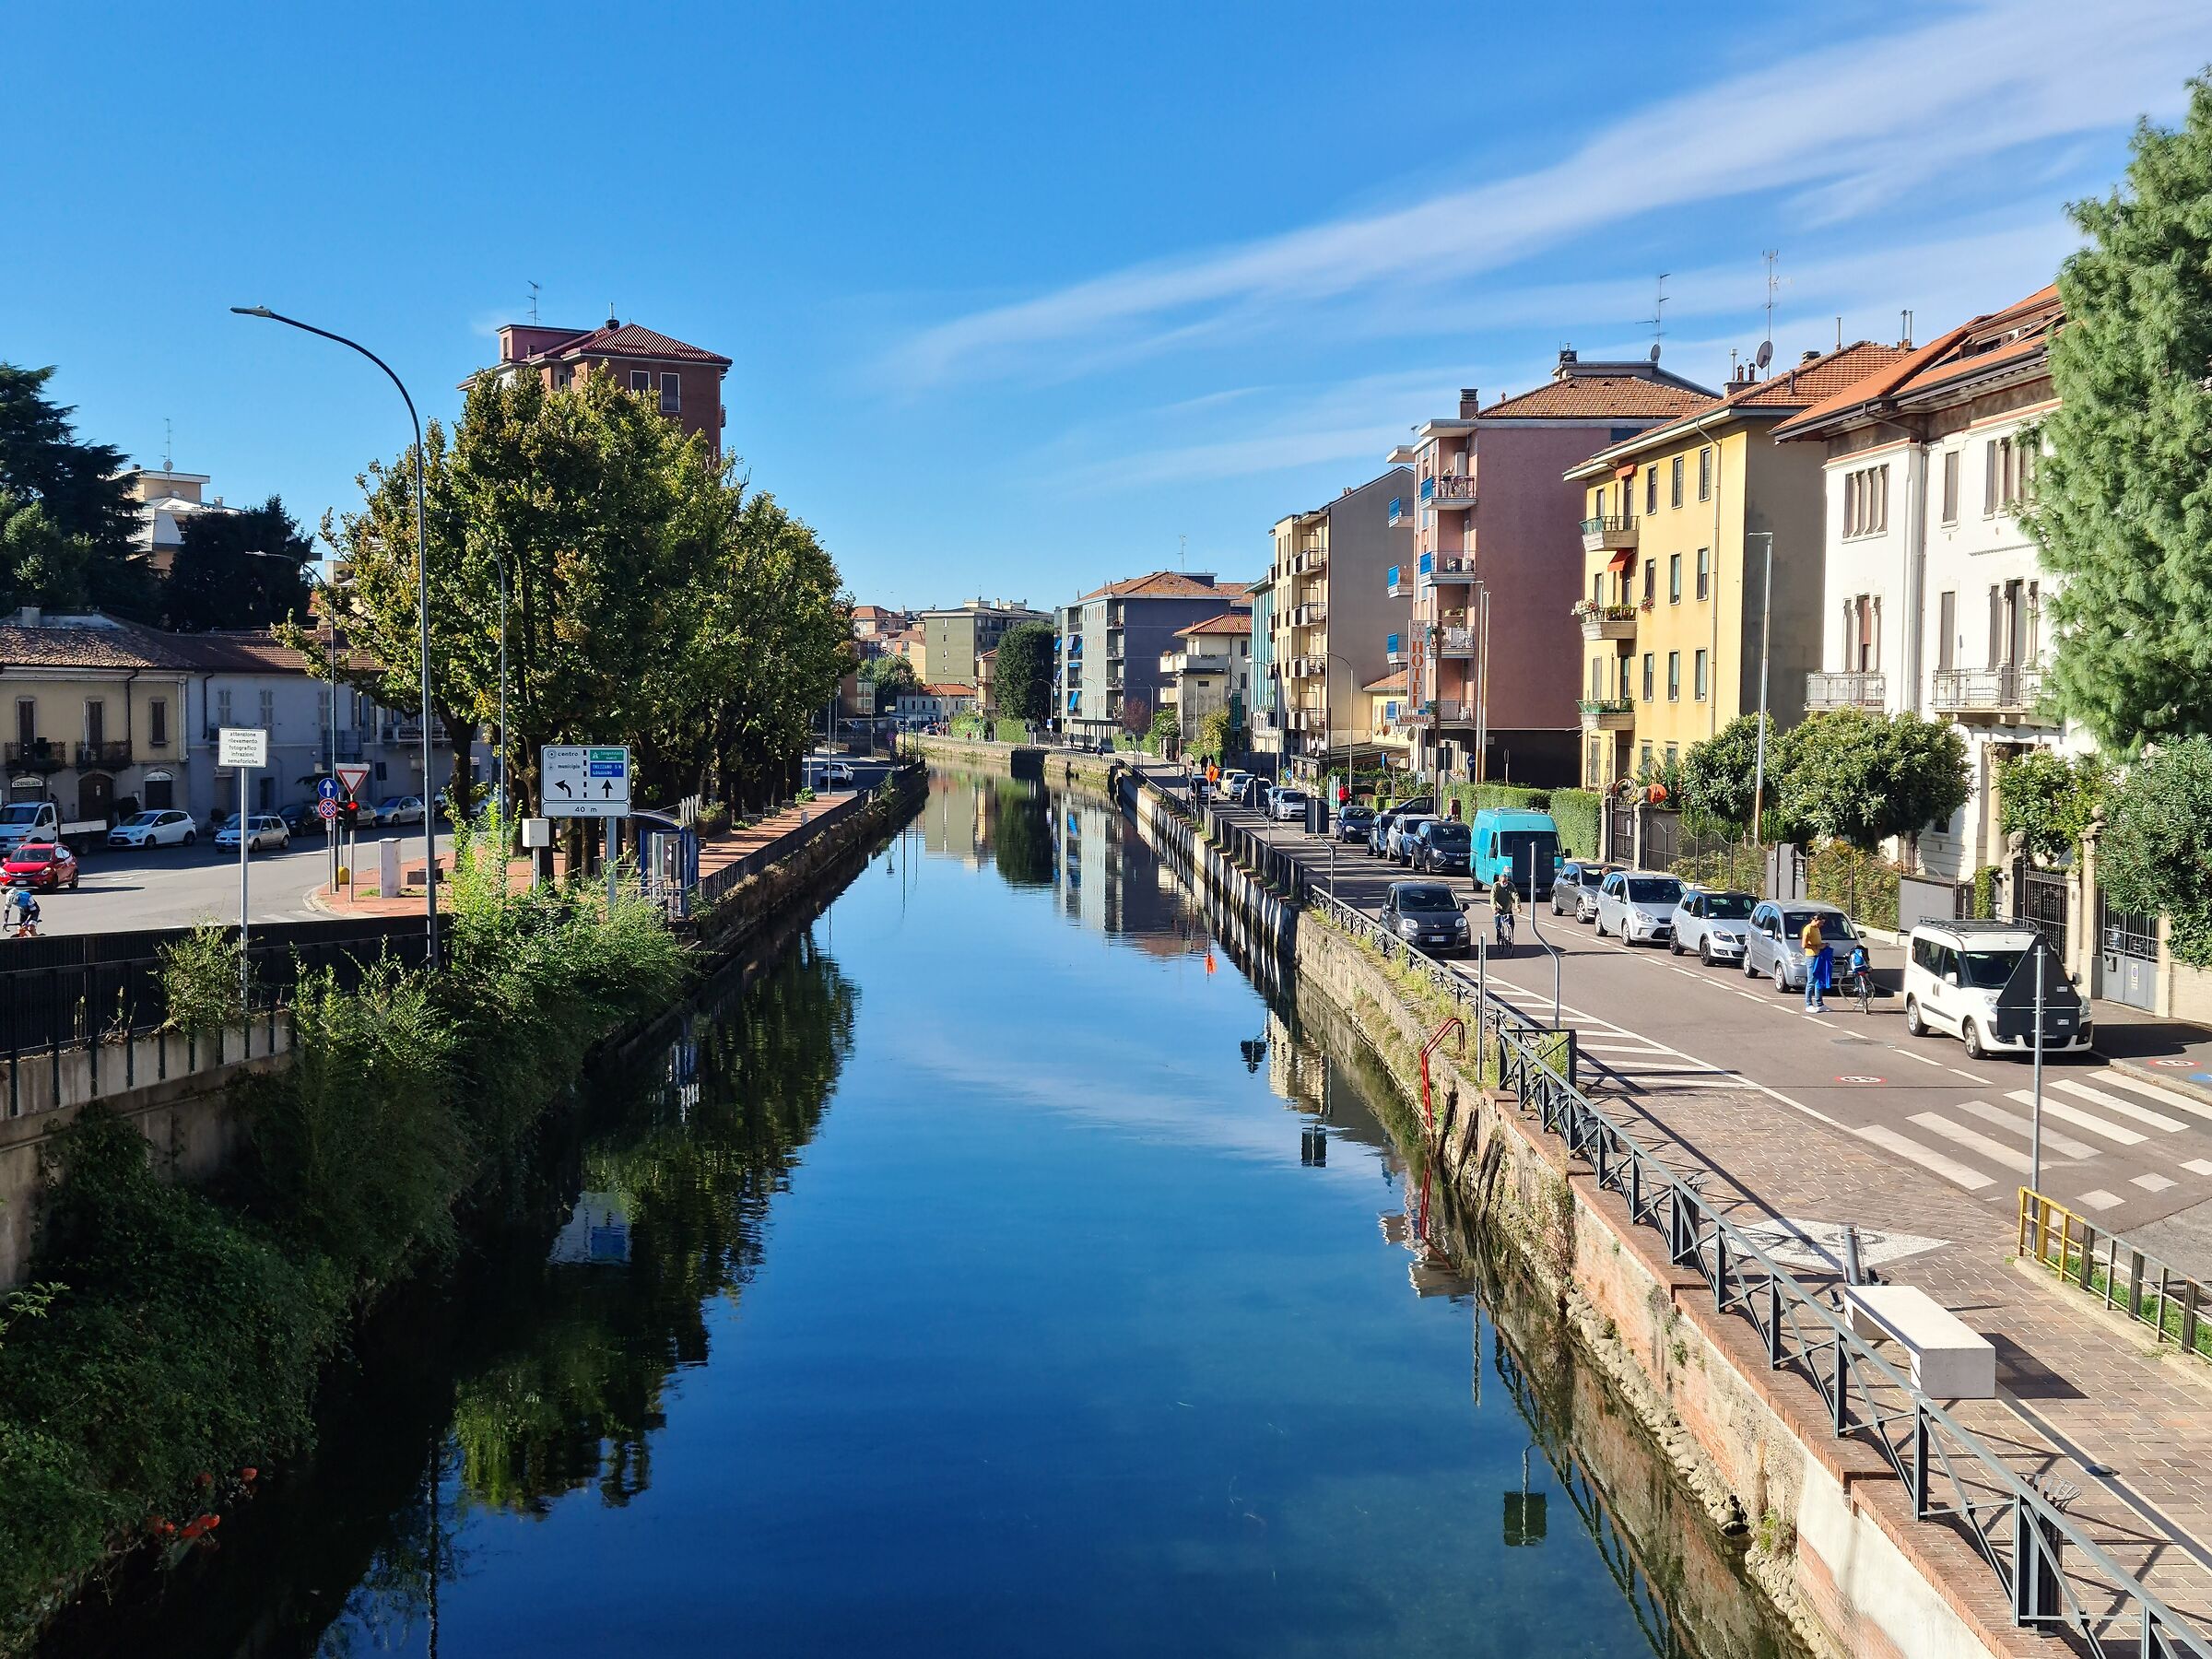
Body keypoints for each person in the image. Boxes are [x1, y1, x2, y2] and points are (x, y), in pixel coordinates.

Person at [1799, 913, 1831, 1012]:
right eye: (1821, 923)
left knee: (1819, 980)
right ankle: (1808, 1004)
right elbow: (1804, 945)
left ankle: (1819, 1003)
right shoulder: (1808, 929)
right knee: (1811, 980)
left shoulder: (1817, 929)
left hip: (1819, 956)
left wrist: (1824, 945)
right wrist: (1818, 947)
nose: (1822, 925)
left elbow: (1816, 942)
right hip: (1811, 957)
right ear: (1816, 920)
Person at [1492, 877, 1516, 948]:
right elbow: (1492, 898)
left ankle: (1510, 937)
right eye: (1503, 881)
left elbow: (1515, 895)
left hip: (1507, 908)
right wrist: (1494, 908)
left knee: (1511, 923)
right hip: (1499, 908)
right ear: (1499, 881)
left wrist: (1518, 906)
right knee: (1498, 923)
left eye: (1506, 881)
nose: (1505, 883)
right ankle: (1499, 934)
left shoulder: (1511, 886)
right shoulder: (1496, 886)